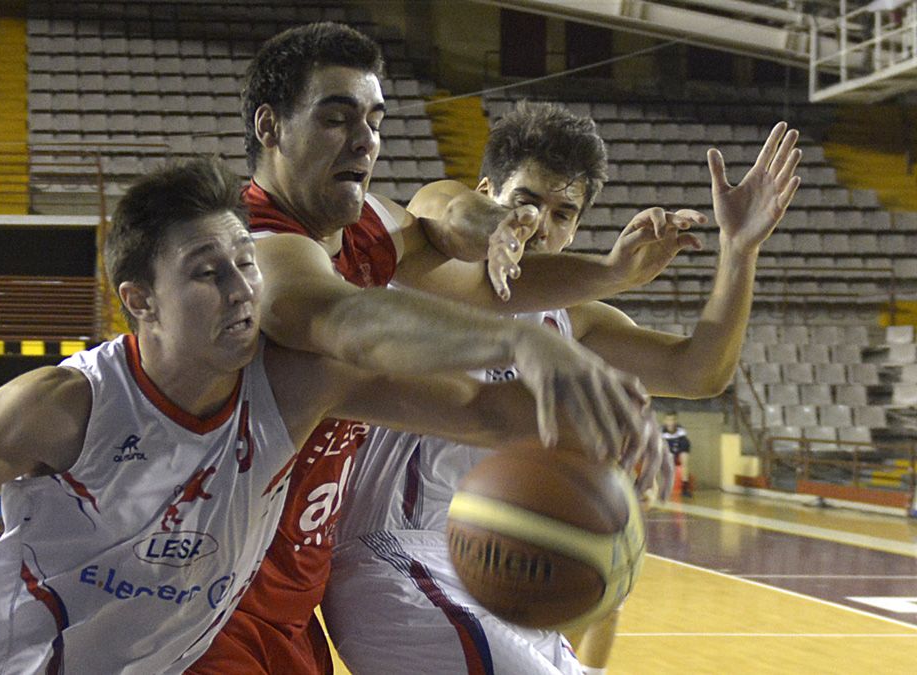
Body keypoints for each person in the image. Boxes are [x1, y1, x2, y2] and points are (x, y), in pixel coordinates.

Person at [0, 158, 655, 674]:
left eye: (248, 264)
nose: (246, 291)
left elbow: (480, 407)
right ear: (140, 301)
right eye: (210, 273)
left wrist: (594, 414)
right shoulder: (59, 407)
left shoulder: (297, 385)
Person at [191, 22, 693, 675]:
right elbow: (344, 317)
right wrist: (524, 342)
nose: (364, 139)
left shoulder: (363, 232)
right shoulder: (255, 247)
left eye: (374, 119)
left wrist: (600, 271)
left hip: (284, 607)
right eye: (338, 117)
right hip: (195, 600)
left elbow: (466, 255)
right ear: (270, 126)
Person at [322, 102, 801, 675]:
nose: (539, 225)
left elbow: (700, 372)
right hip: (393, 553)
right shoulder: (428, 257)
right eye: (525, 201)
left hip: (500, 571)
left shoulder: (576, 321)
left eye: (562, 213)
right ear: (488, 190)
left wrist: (739, 250)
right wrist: (491, 227)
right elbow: (441, 204)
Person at [661, 411, 692, 498]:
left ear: (676, 421)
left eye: (673, 420)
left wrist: (677, 455)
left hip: (678, 448)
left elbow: (684, 446)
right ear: (665, 421)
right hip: (666, 451)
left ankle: (685, 488)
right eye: (668, 420)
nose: (671, 422)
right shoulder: (661, 432)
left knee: (684, 460)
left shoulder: (681, 432)